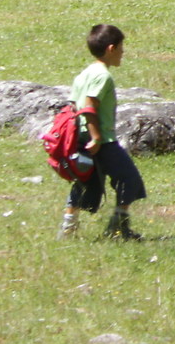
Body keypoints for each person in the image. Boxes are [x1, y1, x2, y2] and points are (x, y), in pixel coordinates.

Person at [60, 24, 144, 241]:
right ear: (111, 48)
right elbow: (89, 107)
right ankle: (118, 229)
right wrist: (97, 137)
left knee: (85, 181)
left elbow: (73, 105)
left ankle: (68, 230)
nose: (123, 52)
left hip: (81, 137)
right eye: (121, 48)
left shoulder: (84, 74)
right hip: (101, 140)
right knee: (129, 179)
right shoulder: (102, 76)